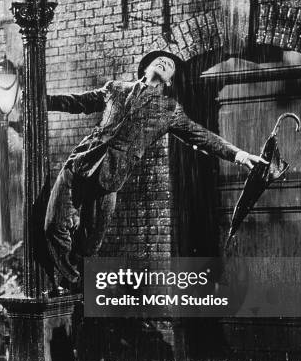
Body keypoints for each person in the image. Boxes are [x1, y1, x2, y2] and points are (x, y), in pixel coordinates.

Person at [45, 51, 266, 288]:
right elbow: (77, 102)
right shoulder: (115, 88)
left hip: (110, 180)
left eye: (170, 64)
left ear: (169, 80)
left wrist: (240, 155)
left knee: (90, 247)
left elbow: (202, 136)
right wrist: (42, 100)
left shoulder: (169, 109)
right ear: (145, 67)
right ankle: (72, 281)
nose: (164, 62)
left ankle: (71, 291)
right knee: (53, 227)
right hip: (80, 165)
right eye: (159, 60)